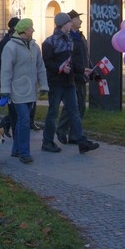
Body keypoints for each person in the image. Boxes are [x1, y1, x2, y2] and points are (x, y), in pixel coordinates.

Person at [42, 13, 99, 154]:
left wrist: (81, 70)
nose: (70, 25)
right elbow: (48, 63)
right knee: (53, 112)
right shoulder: (49, 42)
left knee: (74, 111)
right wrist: (60, 68)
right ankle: (47, 142)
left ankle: (81, 141)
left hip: (70, 82)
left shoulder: (69, 40)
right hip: (56, 83)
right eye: (68, 23)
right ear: (62, 24)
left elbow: (71, 62)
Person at [0, 18, 48, 164]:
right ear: (24, 30)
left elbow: (41, 67)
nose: (33, 30)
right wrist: (5, 89)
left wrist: (44, 84)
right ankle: (24, 152)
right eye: (31, 28)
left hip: (30, 90)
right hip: (16, 90)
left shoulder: (34, 46)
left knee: (21, 120)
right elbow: (6, 71)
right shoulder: (10, 47)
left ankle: (16, 149)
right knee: (25, 120)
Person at [57, 9, 93, 145]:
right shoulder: (68, 38)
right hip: (73, 75)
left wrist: (91, 68)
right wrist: (80, 69)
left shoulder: (81, 36)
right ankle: (61, 130)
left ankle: (74, 135)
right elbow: (69, 58)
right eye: (78, 18)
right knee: (71, 106)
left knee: (81, 106)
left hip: (83, 75)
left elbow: (86, 55)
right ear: (71, 22)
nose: (81, 20)